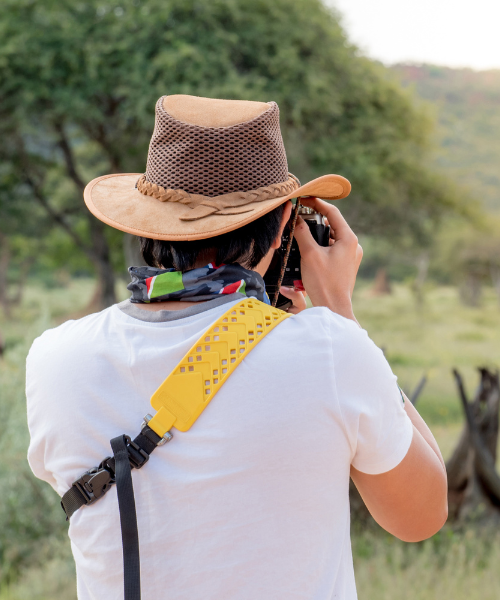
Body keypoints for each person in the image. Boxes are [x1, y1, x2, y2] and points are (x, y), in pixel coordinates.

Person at [26, 95, 447, 599]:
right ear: (280, 234)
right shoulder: (332, 352)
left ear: (146, 224)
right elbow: (421, 515)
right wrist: (341, 312)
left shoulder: (54, 359)